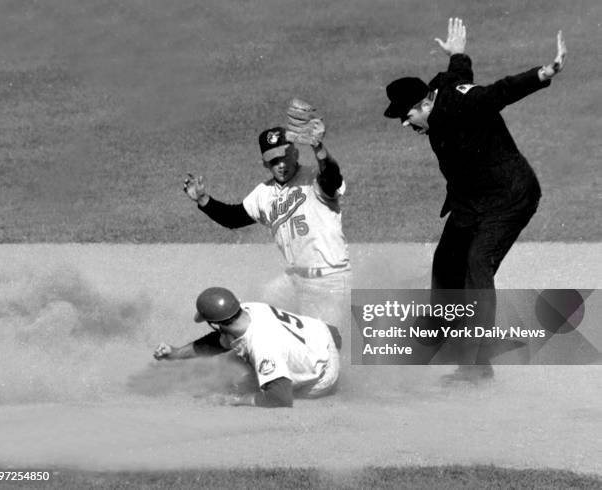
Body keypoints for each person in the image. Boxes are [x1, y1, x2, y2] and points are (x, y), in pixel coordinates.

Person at [383, 18, 567, 382]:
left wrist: (544, 73)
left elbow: (500, 92)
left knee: (476, 264)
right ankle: (437, 331)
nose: (405, 125)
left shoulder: (461, 104)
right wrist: (458, 52)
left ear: (423, 104)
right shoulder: (440, 93)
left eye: (406, 117)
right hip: (470, 199)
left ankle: (477, 364)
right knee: (446, 261)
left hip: (510, 197)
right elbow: (458, 71)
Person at [183, 125, 350, 328]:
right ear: (265, 164)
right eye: (274, 161)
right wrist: (202, 199)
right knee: (257, 316)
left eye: (285, 157)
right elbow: (233, 218)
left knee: (326, 342)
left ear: (295, 153)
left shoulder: (314, 178)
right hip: (294, 279)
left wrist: (318, 148)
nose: (281, 165)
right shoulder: (264, 193)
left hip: (328, 278)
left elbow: (332, 177)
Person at [153, 287, 342, 407]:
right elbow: (216, 341)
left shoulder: (261, 345)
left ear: (215, 323)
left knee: (234, 384)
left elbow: (280, 398)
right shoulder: (248, 309)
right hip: (323, 333)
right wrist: (176, 353)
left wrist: (236, 400)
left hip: (323, 376)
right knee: (232, 364)